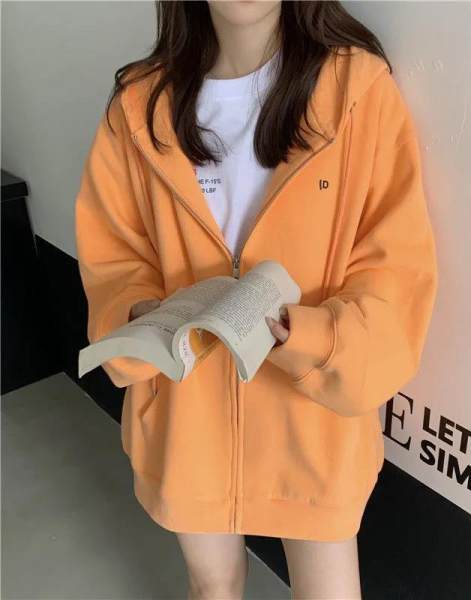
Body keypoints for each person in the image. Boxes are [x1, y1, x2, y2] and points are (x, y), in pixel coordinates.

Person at [74, 1, 438, 598]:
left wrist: (309, 337)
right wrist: (141, 315)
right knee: (211, 587)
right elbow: (113, 255)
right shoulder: (138, 106)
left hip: (313, 418)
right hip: (187, 419)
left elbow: (394, 270)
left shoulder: (357, 90)